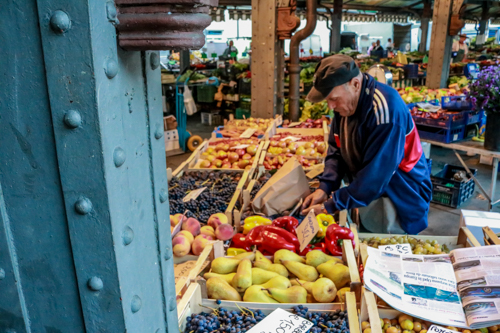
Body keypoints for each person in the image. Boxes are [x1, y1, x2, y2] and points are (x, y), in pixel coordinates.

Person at [301, 55, 432, 235]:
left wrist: (331, 205)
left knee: (387, 251)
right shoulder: (346, 104)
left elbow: (375, 176)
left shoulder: (385, 111)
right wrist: (326, 186)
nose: (331, 106)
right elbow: (336, 148)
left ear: (355, 84)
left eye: (334, 98)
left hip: (399, 196)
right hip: (369, 193)